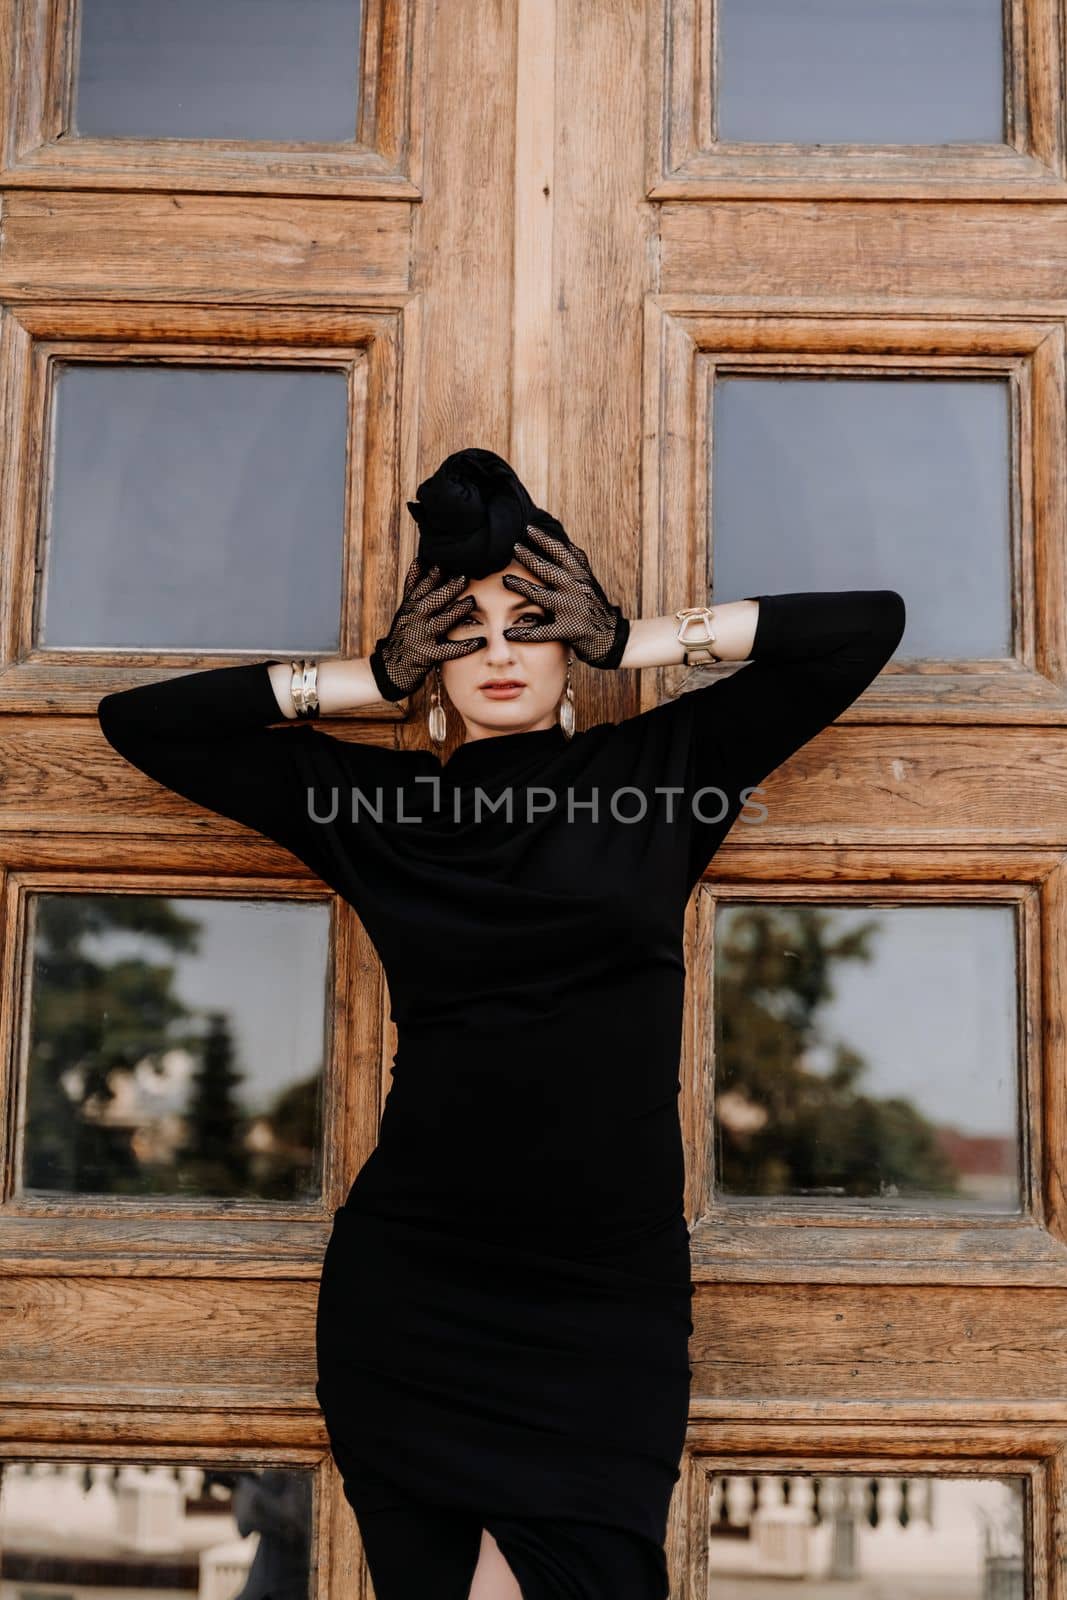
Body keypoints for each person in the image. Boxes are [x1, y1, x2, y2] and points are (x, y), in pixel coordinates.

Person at [96, 448, 906, 1600]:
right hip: (420, 1297)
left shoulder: (659, 776)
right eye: (461, 630)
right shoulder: (371, 806)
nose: (497, 652)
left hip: (602, 1303)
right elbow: (141, 725)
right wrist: (367, 681)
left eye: (529, 620)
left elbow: (865, 627)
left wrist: (635, 638)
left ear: (566, 642)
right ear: (432, 658)